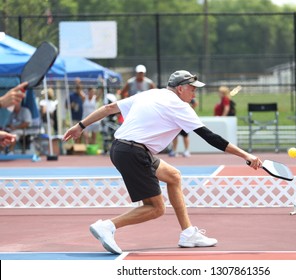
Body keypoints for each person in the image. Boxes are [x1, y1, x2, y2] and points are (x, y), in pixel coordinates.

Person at [63, 70, 262, 254]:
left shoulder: (150, 93)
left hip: (120, 148)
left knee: (173, 176)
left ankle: (188, 233)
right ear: (180, 88)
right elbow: (211, 138)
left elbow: (109, 108)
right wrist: (246, 155)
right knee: (156, 208)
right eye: (192, 89)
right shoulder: (180, 106)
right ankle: (107, 226)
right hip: (134, 152)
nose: (194, 93)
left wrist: (81, 125)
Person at [69, 79, 86, 143]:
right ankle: (75, 147)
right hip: (74, 118)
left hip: (82, 118)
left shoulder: (82, 95)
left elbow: (85, 100)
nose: (79, 89)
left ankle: (79, 147)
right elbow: (66, 106)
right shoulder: (72, 96)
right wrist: (72, 105)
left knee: (81, 134)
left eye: (80, 88)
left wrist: (81, 93)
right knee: (75, 133)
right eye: (77, 88)